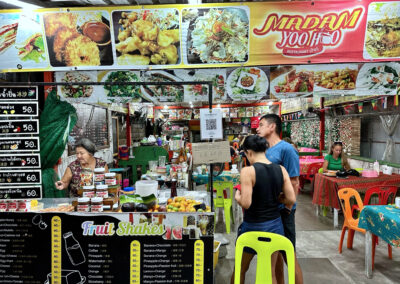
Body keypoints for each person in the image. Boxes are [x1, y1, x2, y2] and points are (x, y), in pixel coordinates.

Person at [230, 135, 296, 284]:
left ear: (249, 152)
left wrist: (237, 195)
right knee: (270, 271)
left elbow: (246, 203)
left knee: (240, 269)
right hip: (275, 227)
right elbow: (291, 199)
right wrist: (280, 199)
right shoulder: (281, 169)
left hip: (252, 227)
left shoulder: (248, 171)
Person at [256, 114, 303, 284]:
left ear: (272, 127)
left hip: (284, 209)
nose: (257, 128)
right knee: (273, 255)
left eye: (261, 125)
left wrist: (288, 207)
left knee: (288, 254)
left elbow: (294, 181)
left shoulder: (287, 149)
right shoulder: (264, 149)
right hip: (269, 210)